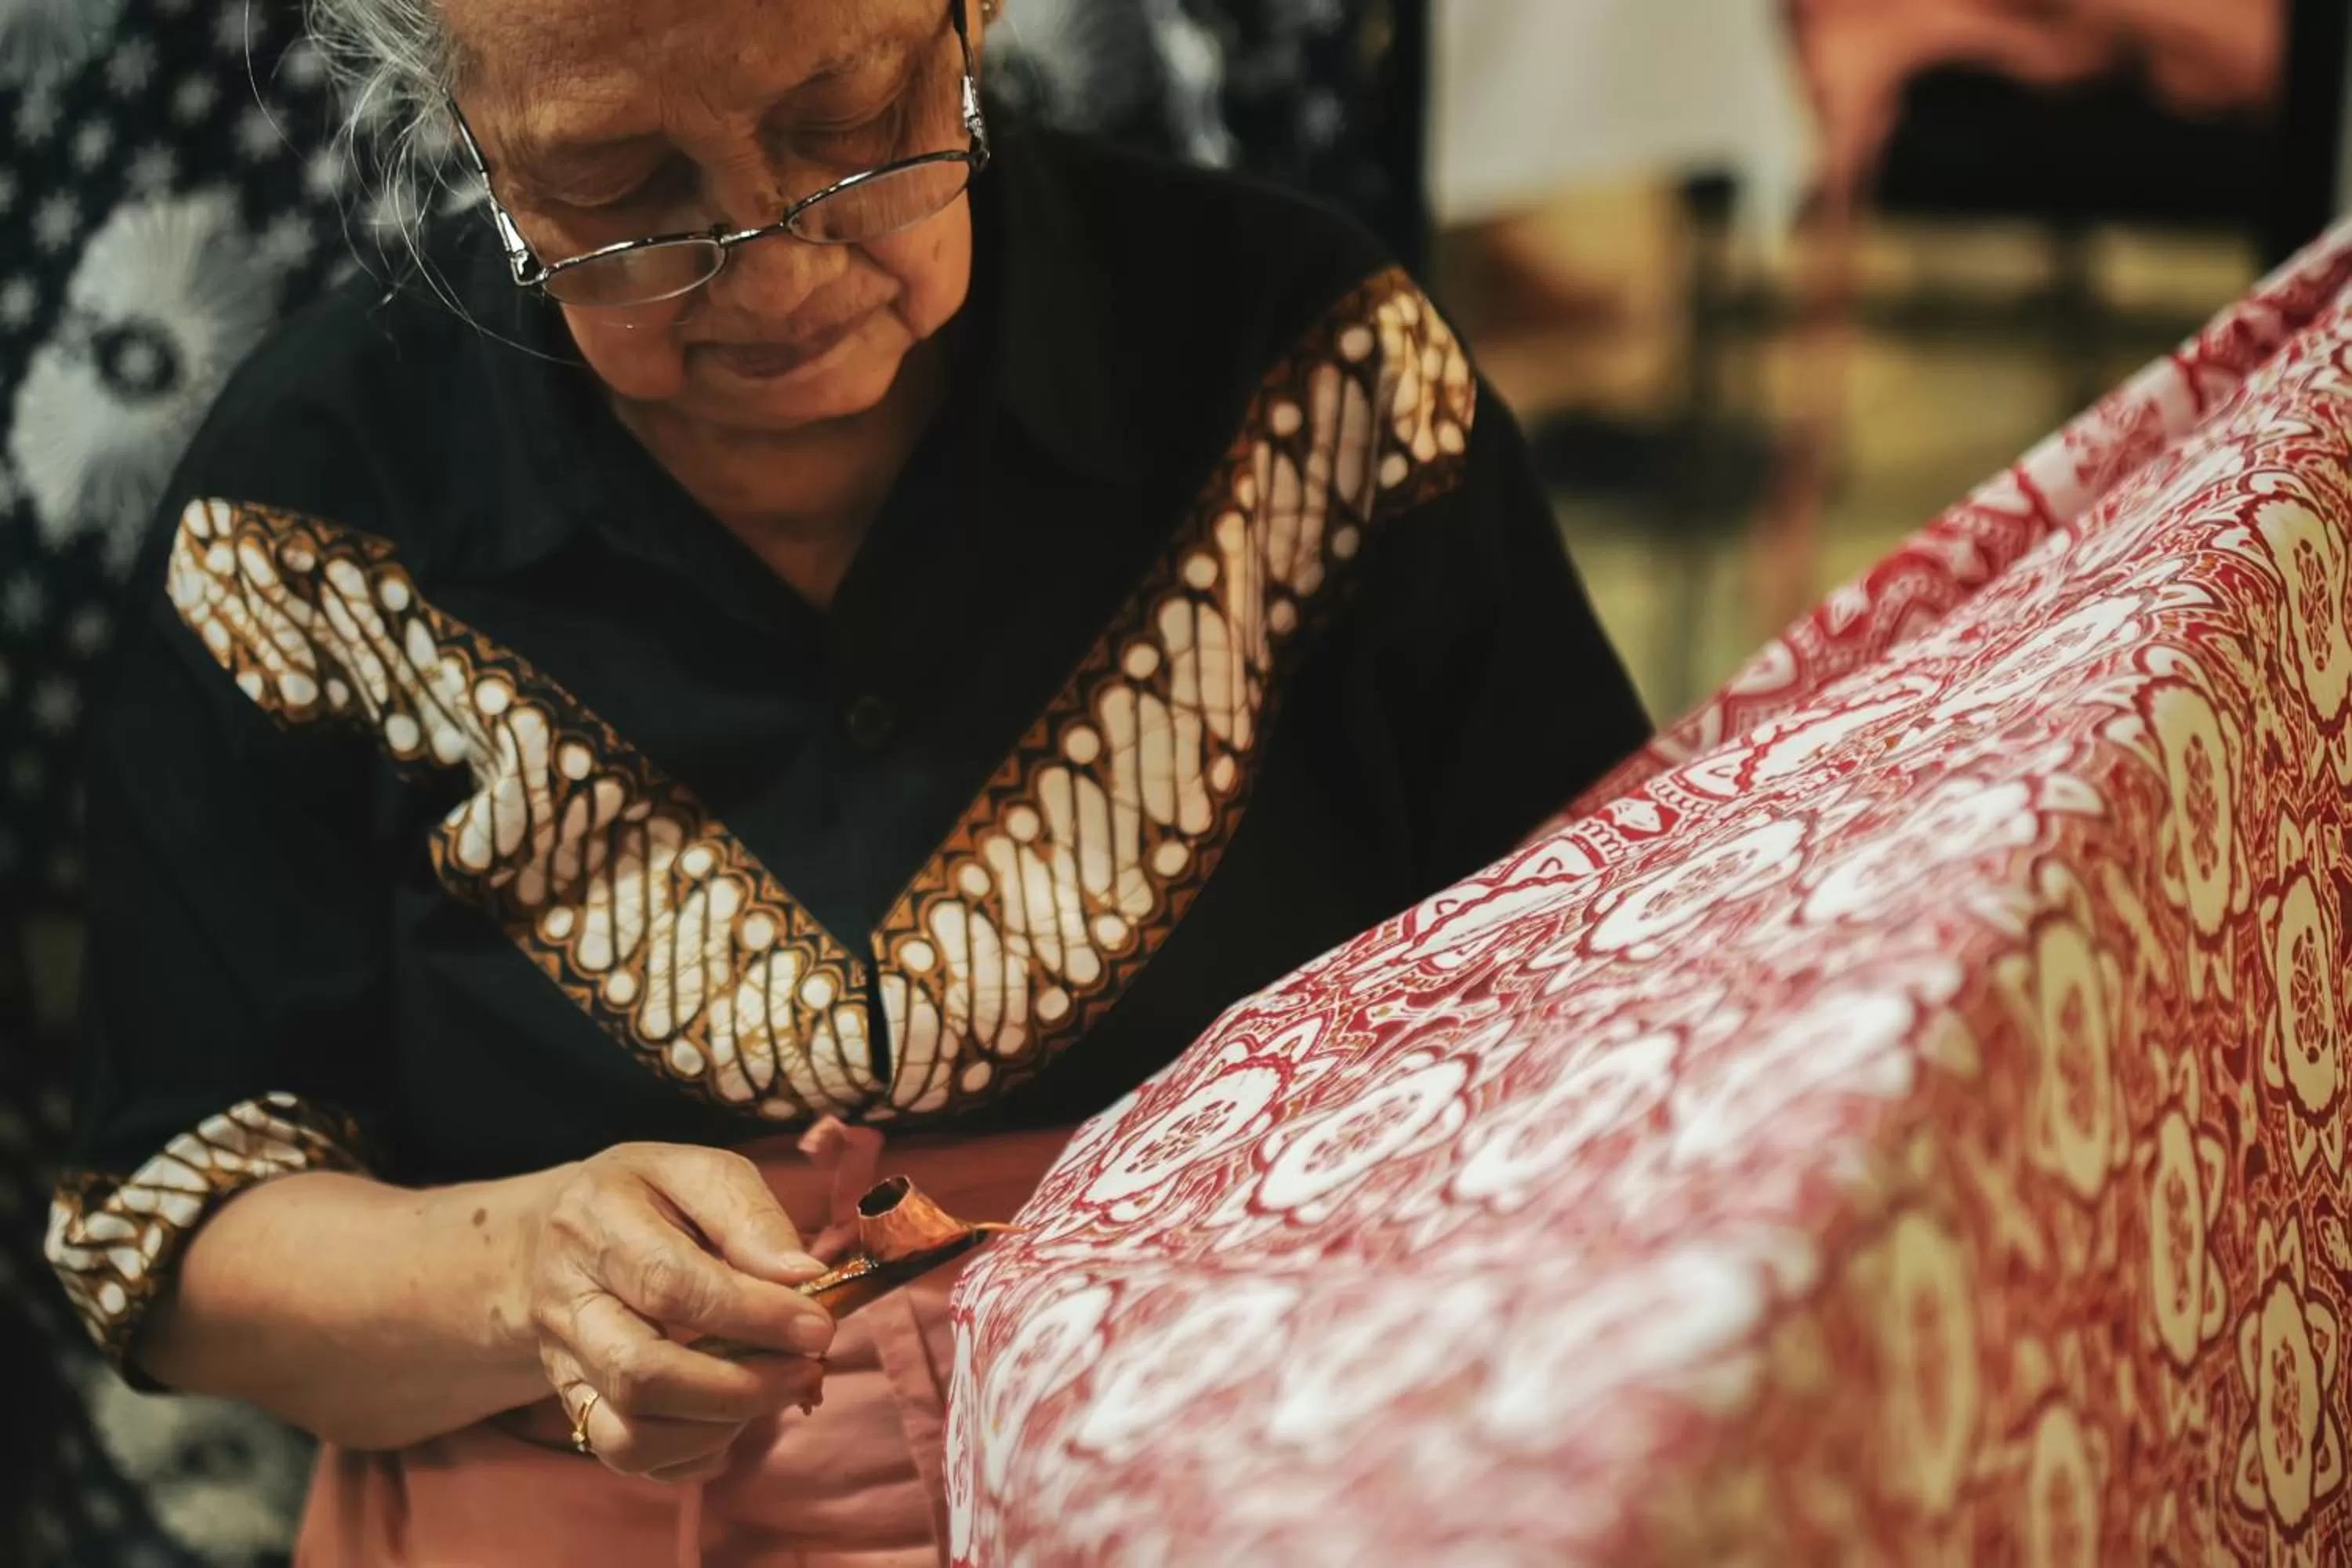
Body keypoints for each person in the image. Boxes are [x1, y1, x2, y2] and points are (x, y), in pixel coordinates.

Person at [42, 0, 1649, 1559]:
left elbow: (1622, 1016)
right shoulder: (315, 505)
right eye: (616, 187)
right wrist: (535, 1277)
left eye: (851, 124)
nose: (776, 269)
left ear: (977, 16)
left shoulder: (1308, 368)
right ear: (468, 129)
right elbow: (183, 1229)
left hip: (1262, 1485)